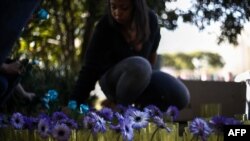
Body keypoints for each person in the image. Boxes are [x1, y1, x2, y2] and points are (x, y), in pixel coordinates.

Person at [70, 0, 190, 110]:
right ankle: (121, 112)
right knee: (141, 66)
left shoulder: (151, 20)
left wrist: (154, 87)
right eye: (113, 7)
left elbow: (152, 57)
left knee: (180, 95)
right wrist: (74, 103)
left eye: (124, 8)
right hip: (111, 80)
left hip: (142, 77)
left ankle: (141, 115)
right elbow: (90, 69)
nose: (117, 13)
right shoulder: (105, 26)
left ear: (136, 6)